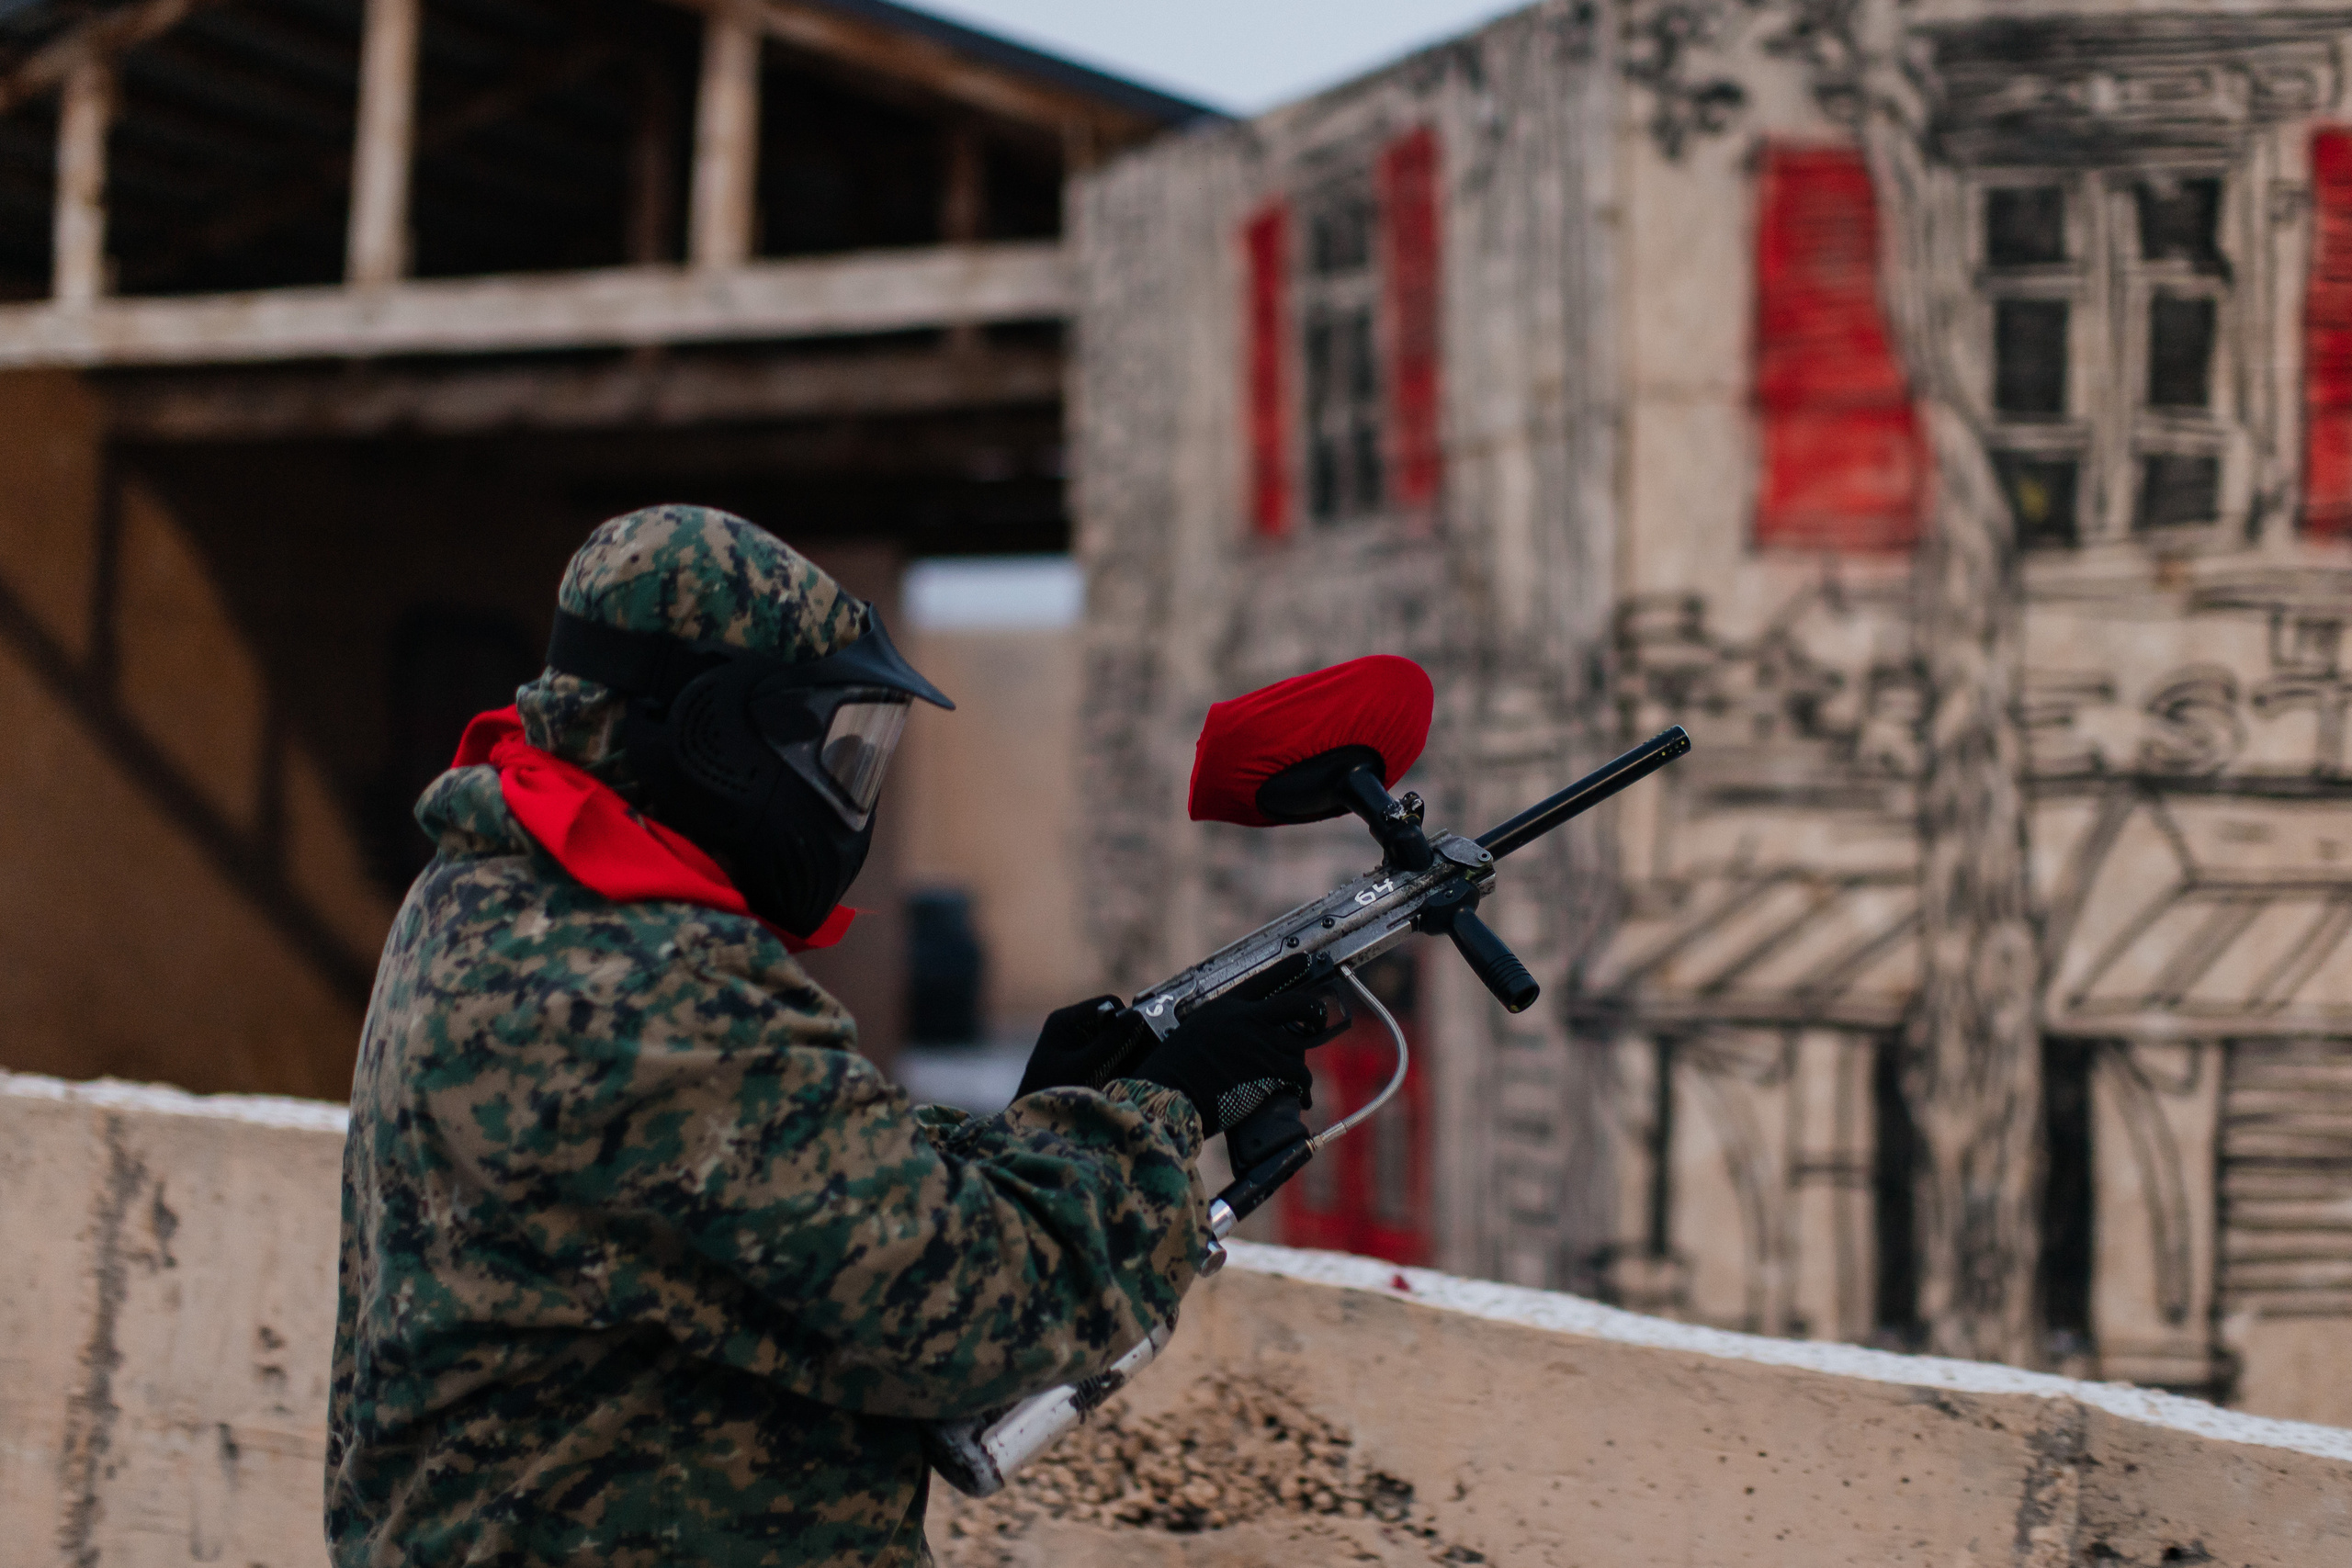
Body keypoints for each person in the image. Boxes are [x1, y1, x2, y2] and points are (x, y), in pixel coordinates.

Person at [326, 505, 1327, 1567]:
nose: (850, 805)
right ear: (717, 737)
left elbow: (735, 1187)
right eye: (837, 748)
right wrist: (1159, 1113)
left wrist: (1035, 1135)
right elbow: (978, 1313)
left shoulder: (491, 890)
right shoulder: (642, 984)